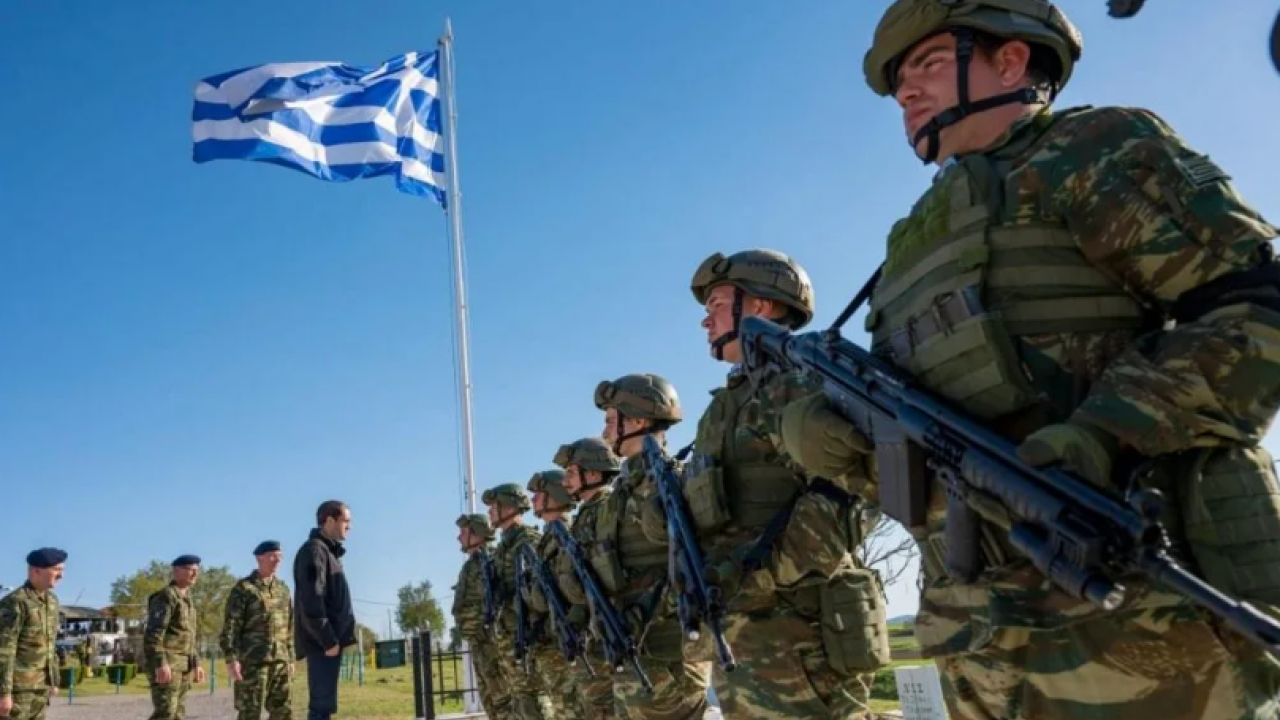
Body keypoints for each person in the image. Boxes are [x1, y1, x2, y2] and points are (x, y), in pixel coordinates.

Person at [779, 2, 1280, 718]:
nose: (906, 94)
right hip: (980, 636)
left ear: (1011, 61)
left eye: (923, 65)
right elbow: (926, 451)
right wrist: (838, 444)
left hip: (1143, 624)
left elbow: (1254, 308)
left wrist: (1105, 434)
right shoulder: (911, 242)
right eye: (897, 84)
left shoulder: (1092, 149)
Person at [684, 249, 890, 719]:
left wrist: (760, 574)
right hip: (743, 641)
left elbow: (850, 493)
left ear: (760, 306)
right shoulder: (723, 408)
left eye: (716, 304)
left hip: (802, 642)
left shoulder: (799, 383)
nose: (705, 321)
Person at [591, 374, 712, 720]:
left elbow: (698, 567)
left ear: (639, 420)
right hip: (634, 651)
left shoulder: (672, 484)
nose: (605, 433)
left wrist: (647, 610)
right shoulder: (624, 492)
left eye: (611, 421)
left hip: (669, 657)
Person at [551, 437, 623, 720]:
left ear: (592, 474)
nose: (565, 480)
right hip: (594, 629)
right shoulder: (587, 515)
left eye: (571, 472)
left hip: (613, 627)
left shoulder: (606, 510)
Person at [523, 469, 586, 720]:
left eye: (539, 494)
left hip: (569, 640)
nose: (533, 500)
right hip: (555, 638)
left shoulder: (565, 535)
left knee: (572, 709)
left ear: (556, 495)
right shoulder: (548, 537)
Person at [482, 483, 548, 720]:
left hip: (528, 634)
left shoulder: (526, 540)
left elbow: (538, 593)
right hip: (509, 634)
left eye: (493, 507)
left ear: (509, 507)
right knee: (520, 697)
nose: (489, 512)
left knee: (533, 698)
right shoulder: (504, 545)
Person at [294, 500, 356, 720]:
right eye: (345, 521)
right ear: (329, 521)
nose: (349, 526)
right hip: (322, 643)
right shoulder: (315, 551)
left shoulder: (328, 553)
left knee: (325, 704)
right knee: (320, 706)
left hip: (327, 642)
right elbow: (311, 600)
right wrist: (328, 639)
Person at [221, 540, 294, 720]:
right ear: (259, 558)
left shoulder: (283, 589)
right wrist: (231, 658)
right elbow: (231, 626)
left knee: (283, 711)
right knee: (250, 712)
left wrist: (290, 657)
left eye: (279, 557)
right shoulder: (244, 588)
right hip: (253, 662)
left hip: (280, 660)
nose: (276, 561)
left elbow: (290, 625)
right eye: (272, 556)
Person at [450, 513, 509, 720]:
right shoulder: (471, 565)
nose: (459, 537)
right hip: (478, 642)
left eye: (463, 532)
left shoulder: (491, 561)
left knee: (503, 700)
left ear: (477, 534)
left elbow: (496, 602)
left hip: (492, 643)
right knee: (490, 700)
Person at [0, 549, 66, 720]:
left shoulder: (51, 601)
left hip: (40, 688)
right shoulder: (15, 602)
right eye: (57, 570)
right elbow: (4, 651)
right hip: (18, 690)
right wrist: (3, 693)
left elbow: (50, 644)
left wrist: (53, 680)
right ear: (37, 571)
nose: (61, 576)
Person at [144, 555, 206, 720]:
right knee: (166, 713)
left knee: (178, 714)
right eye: (189, 570)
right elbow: (154, 633)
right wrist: (160, 663)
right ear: (176, 571)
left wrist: (196, 664)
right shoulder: (166, 596)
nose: (194, 574)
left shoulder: (188, 600)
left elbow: (190, 636)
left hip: (184, 665)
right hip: (168, 664)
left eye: (196, 571)